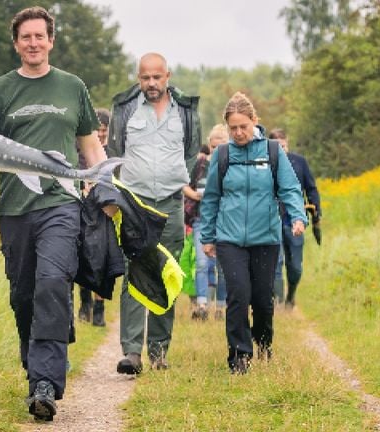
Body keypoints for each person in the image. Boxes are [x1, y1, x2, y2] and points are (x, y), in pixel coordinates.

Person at [0, 6, 111, 421]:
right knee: (24, 295)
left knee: (51, 283)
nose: (33, 43)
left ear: (51, 40)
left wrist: (100, 182)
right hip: (13, 207)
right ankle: (41, 356)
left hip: (60, 203)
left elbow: (89, 144)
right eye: (25, 37)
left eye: (39, 36)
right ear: (16, 43)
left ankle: (44, 383)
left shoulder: (71, 87)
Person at [199, 92, 307, 375]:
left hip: (266, 239)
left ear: (254, 122)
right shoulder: (222, 155)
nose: (238, 133)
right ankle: (239, 357)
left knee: (261, 299)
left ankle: (263, 343)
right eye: (232, 128)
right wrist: (208, 236)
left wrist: (298, 216)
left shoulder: (272, 152)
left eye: (243, 127)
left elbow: (290, 188)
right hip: (229, 239)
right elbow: (211, 197)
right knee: (238, 294)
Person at [107, 52, 201, 374]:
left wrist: (177, 178)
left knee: (168, 273)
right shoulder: (125, 108)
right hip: (136, 202)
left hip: (171, 204)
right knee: (134, 270)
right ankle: (131, 353)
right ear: (138, 78)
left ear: (167, 76)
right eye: (145, 77)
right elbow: (115, 152)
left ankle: (159, 352)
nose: (151, 83)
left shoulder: (186, 112)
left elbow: (191, 152)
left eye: (156, 77)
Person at [268, 128, 322, 308]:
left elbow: (311, 188)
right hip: (272, 221)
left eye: (283, 146)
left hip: (294, 221)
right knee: (275, 263)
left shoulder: (299, 162)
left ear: (287, 143)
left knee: (295, 266)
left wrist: (316, 213)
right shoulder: (265, 164)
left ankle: (291, 296)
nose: (281, 150)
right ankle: (278, 303)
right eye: (277, 147)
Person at [186, 124, 229, 321]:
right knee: (202, 263)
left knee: (223, 266)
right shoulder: (200, 165)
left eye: (220, 147)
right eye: (213, 147)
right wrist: (195, 195)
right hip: (201, 220)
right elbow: (182, 184)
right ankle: (202, 304)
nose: (216, 151)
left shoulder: (232, 165)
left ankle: (221, 307)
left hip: (225, 221)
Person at [77, 108, 111, 326]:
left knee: (103, 259)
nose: (99, 135)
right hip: (82, 206)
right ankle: (85, 302)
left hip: (104, 211)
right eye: (96, 130)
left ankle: (99, 307)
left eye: (103, 131)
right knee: (82, 256)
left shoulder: (112, 151)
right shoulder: (79, 151)